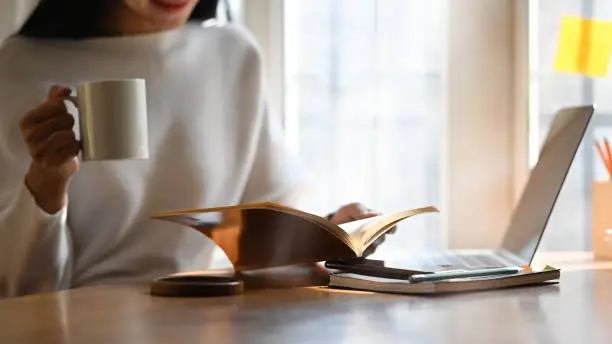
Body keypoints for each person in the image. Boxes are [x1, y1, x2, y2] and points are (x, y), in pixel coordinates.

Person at [0, 0, 390, 298]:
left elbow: (265, 238)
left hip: (206, 314)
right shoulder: (22, 66)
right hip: (82, 322)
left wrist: (327, 232)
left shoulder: (232, 54)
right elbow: (23, 289)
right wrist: (47, 183)